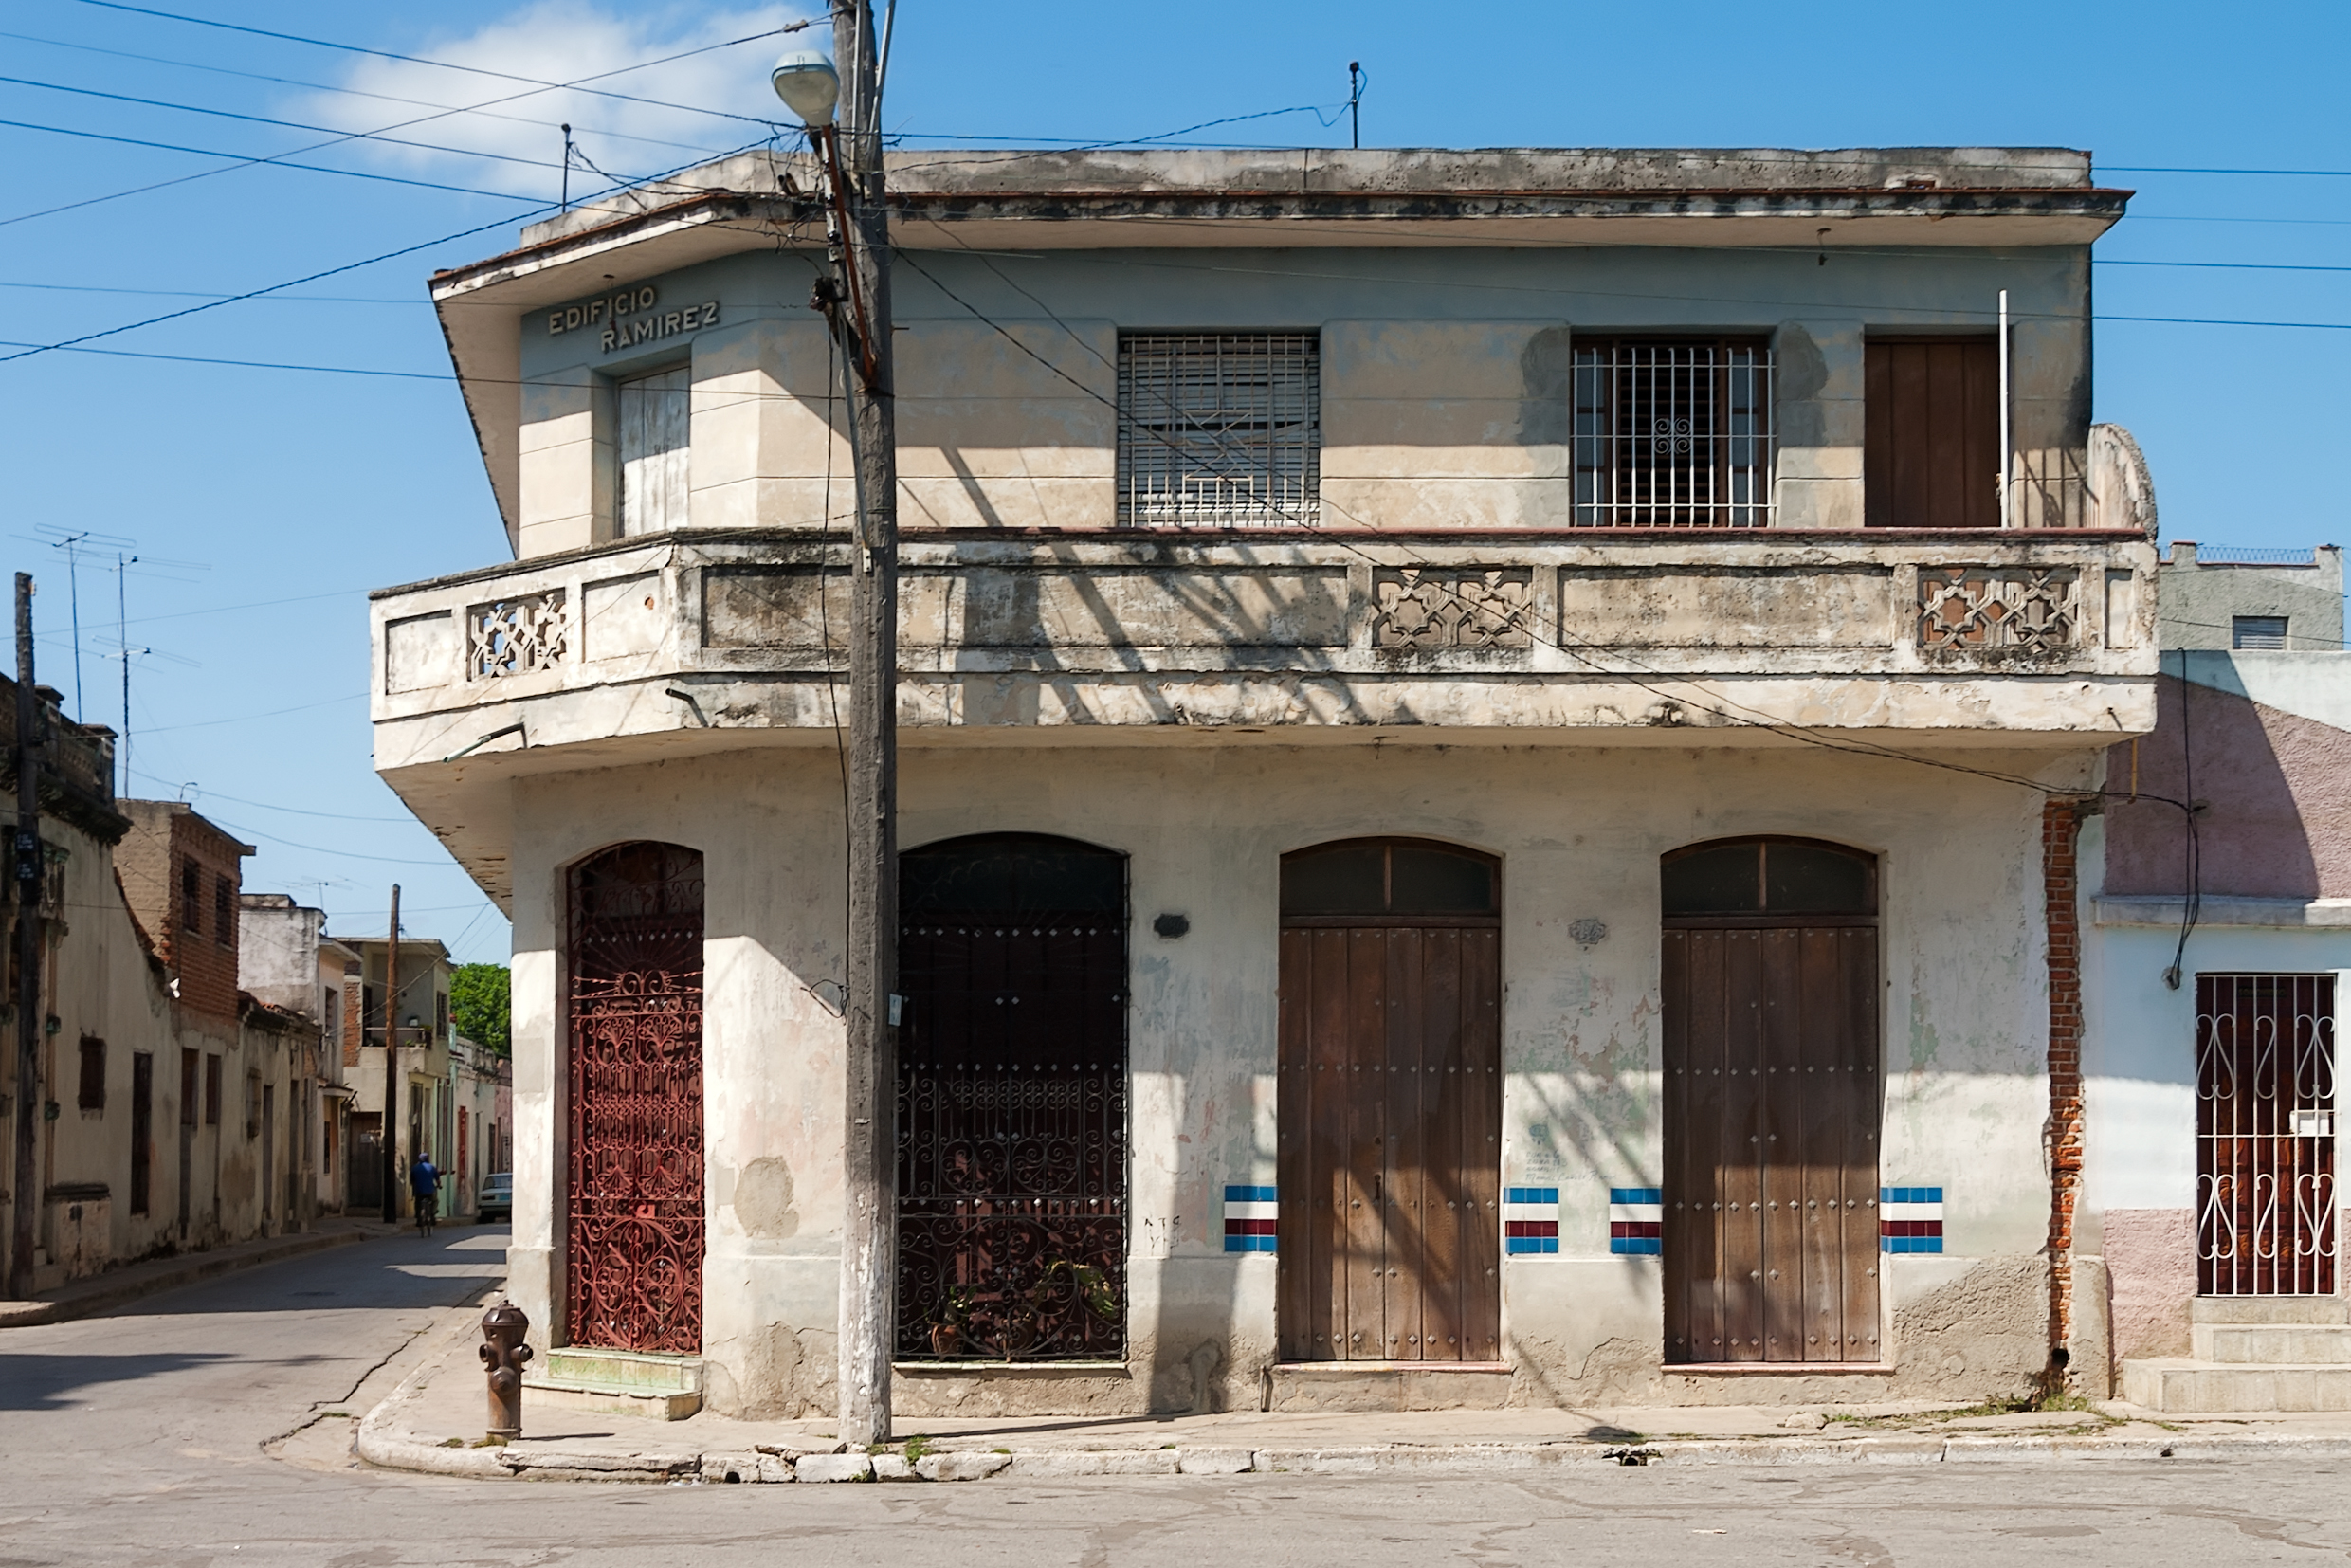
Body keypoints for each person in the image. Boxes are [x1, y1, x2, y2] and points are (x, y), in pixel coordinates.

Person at [410, 1154, 441, 1236]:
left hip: (419, 1191)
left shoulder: (414, 1168)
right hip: (430, 1191)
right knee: (435, 1201)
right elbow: (437, 1180)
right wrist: (439, 1186)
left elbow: (412, 1181)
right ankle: (432, 1214)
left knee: (417, 1203)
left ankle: (418, 1218)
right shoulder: (432, 1167)